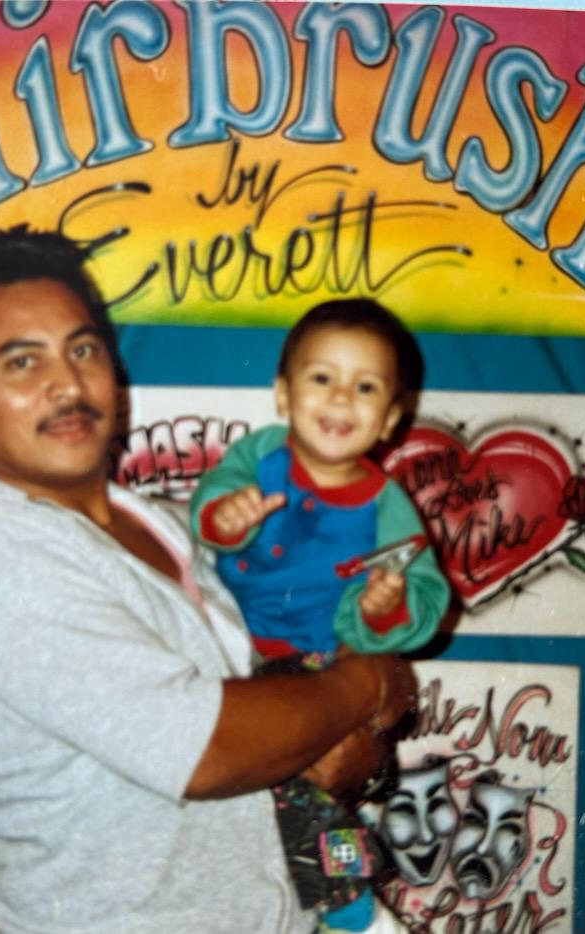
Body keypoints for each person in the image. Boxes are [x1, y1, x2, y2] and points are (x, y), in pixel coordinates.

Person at [0, 224, 418, 934]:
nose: (68, 383)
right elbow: (205, 747)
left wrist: (336, 739)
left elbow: (271, 703)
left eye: (83, 349)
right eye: (22, 362)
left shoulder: (156, 521)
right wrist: (365, 685)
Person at [189, 299, 450, 931]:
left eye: (365, 387)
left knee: (297, 790)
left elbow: (427, 599)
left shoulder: (386, 507)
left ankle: (350, 908)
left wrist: (386, 609)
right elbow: (212, 498)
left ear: (391, 417)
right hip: (225, 649)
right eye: (321, 378)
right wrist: (224, 519)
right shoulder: (260, 456)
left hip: (313, 659)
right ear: (282, 395)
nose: (340, 399)